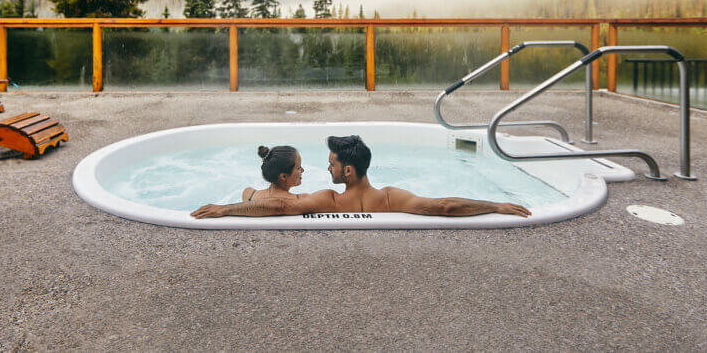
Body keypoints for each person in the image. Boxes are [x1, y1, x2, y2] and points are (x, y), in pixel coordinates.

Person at [191, 135, 531, 219]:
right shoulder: (391, 197)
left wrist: (227, 209)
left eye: (332, 164)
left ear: (347, 171)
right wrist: (495, 205)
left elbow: (277, 207)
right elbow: (444, 206)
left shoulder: (328, 199)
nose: (328, 169)